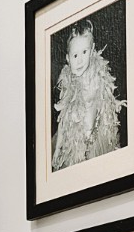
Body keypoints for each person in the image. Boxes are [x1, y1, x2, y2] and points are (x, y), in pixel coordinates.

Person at [51, 21, 123, 170]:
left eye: (84, 52)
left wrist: (115, 105)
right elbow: (63, 119)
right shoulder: (68, 83)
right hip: (74, 142)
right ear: (67, 58)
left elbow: (106, 103)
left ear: (92, 51)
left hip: (96, 141)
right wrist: (57, 149)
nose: (80, 60)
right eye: (75, 55)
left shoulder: (97, 76)